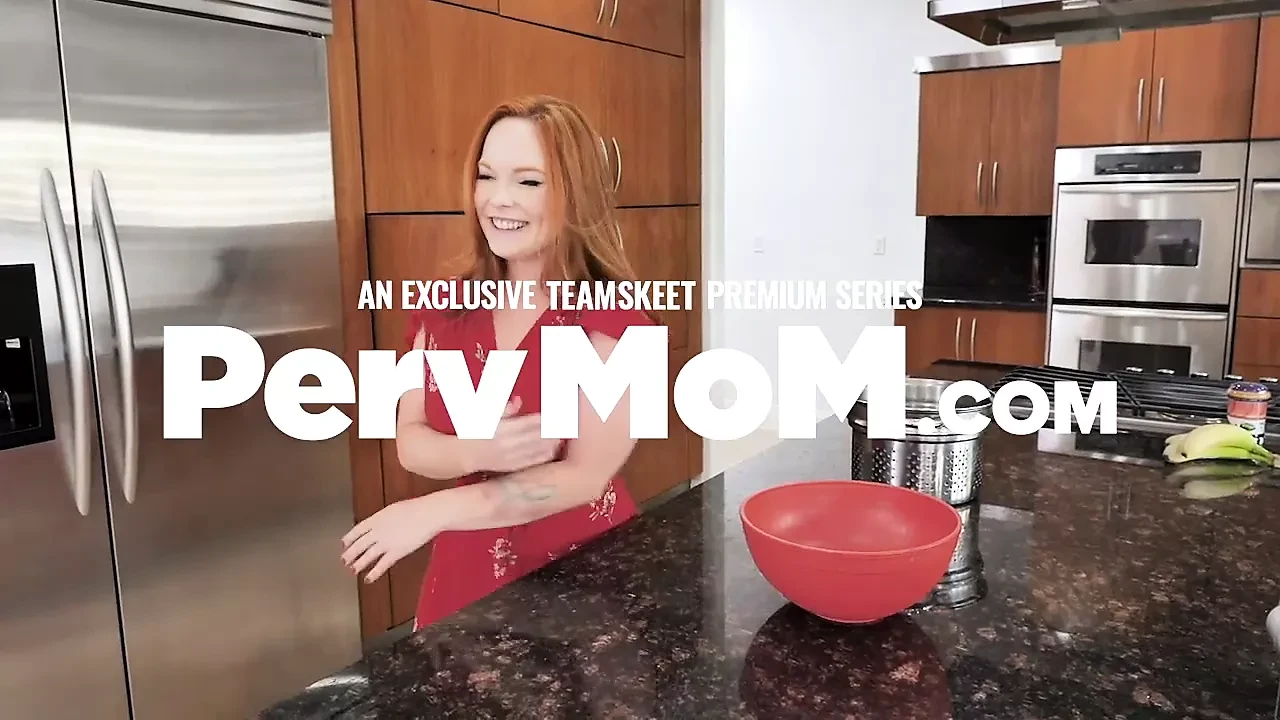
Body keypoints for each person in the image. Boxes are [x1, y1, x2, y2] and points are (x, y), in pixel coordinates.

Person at [339, 95, 658, 631]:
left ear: (575, 196)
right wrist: (477, 449)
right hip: (466, 569)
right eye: (486, 177)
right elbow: (410, 440)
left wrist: (431, 511)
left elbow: (585, 476)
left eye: (528, 182)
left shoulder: (620, 320)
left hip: (584, 573)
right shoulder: (442, 304)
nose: (497, 200)